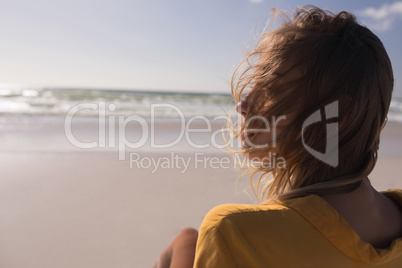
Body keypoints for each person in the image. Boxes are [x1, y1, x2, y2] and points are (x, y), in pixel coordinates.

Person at [154, 6, 402, 268]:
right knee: (187, 240)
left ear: (336, 116)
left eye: (271, 88)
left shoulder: (235, 235)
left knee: (181, 242)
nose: (243, 105)